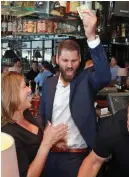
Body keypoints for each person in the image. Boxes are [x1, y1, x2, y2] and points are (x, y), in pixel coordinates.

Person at [37, 9, 111, 177]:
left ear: (80, 60)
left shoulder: (86, 81)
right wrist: (48, 132)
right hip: (51, 157)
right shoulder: (48, 84)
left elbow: (104, 75)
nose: (69, 65)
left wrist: (91, 36)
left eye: (74, 61)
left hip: (79, 158)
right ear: (57, 59)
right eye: (65, 61)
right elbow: (41, 116)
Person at [1, 71, 68, 177]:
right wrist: (46, 144)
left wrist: (53, 142)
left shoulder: (26, 114)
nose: (29, 90)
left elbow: (35, 145)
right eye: (24, 87)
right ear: (12, 94)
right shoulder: (8, 134)